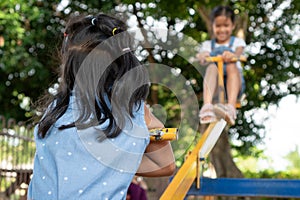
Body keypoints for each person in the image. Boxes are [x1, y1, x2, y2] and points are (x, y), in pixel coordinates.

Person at [27, 13, 175, 200]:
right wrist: (115, 161)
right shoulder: (132, 112)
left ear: (69, 65)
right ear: (122, 66)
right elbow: (166, 165)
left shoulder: (55, 111)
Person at [197, 5, 246, 126]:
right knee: (211, 67)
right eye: (218, 26)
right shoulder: (208, 45)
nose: (222, 30)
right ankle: (207, 106)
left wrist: (232, 55)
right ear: (212, 26)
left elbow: (238, 54)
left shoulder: (238, 43)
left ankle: (231, 107)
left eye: (226, 26)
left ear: (233, 26)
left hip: (234, 86)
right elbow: (201, 59)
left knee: (231, 65)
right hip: (215, 89)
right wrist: (203, 56)